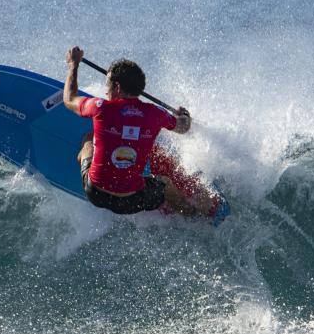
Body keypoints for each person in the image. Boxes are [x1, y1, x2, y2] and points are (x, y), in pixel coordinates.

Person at [62, 46, 209, 216]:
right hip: (134, 201)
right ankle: (191, 214)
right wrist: (184, 115)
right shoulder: (156, 114)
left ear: (117, 87)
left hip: (96, 193)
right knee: (165, 183)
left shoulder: (100, 108)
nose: (105, 91)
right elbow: (183, 127)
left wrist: (73, 64)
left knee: (89, 139)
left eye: (108, 85)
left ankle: (83, 158)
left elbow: (69, 99)